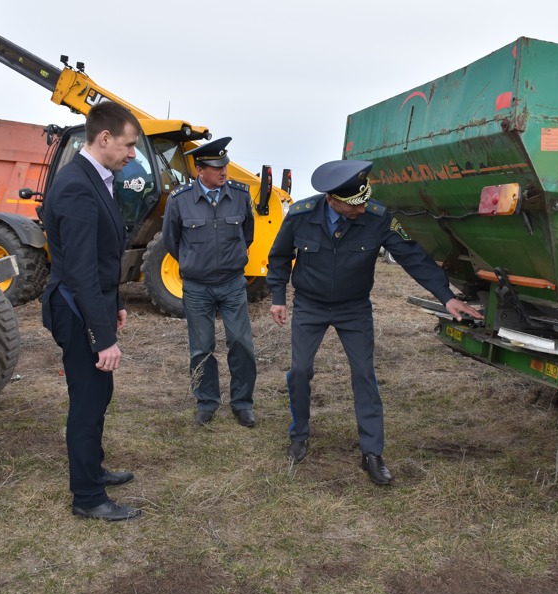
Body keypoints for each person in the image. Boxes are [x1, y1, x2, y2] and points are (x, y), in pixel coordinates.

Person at [267, 159, 484, 486]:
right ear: (332, 201)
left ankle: (372, 453)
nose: (363, 207)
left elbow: (413, 257)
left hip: (353, 308)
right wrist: (278, 297)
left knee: (364, 374)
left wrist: (446, 295)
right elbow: (279, 257)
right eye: (355, 204)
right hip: (310, 305)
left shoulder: (378, 218)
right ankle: (299, 436)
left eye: (366, 199)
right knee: (299, 370)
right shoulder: (300, 215)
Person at [40, 101, 143, 521]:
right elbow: (80, 271)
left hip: (91, 302)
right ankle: (87, 497)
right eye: (129, 144)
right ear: (104, 139)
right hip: (75, 307)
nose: (132, 154)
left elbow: (103, 255)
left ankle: (93, 469)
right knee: (86, 400)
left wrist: (115, 303)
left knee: (100, 393)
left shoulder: (97, 178)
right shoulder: (77, 186)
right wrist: (103, 338)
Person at [162, 137, 257, 428]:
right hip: (197, 288)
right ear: (199, 170)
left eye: (225, 166)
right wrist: (194, 264)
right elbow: (171, 241)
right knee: (201, 348)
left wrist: (233, 258)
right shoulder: (179, 201)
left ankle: (242, 403)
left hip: (232, 283)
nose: (224, 172)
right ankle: (206, 402)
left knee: (241, 343)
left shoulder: (240, 196)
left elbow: (248, 234)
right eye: (217, 168)